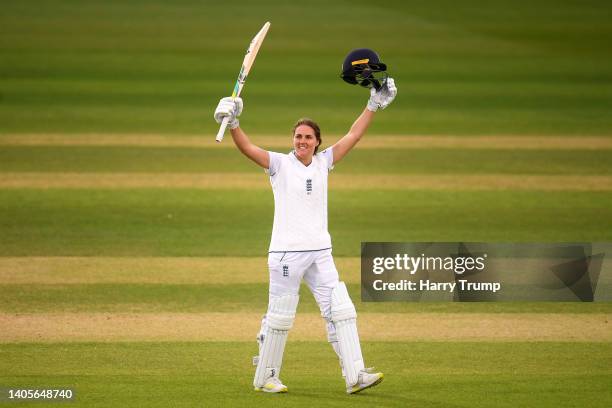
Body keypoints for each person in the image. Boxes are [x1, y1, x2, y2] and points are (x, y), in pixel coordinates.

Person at [214, 75, 397, 395]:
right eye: (298, 136)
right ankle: (266, 376)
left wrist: (372, 106)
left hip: (320, 251)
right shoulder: (280, 165)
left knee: (341, 309)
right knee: (281, 315)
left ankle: (355, 375)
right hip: (287, 253)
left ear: (317, 141)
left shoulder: (324, 163)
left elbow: (353, 136)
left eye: (308, 137)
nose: (301, 141)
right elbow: (247, 148)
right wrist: (234, 124)